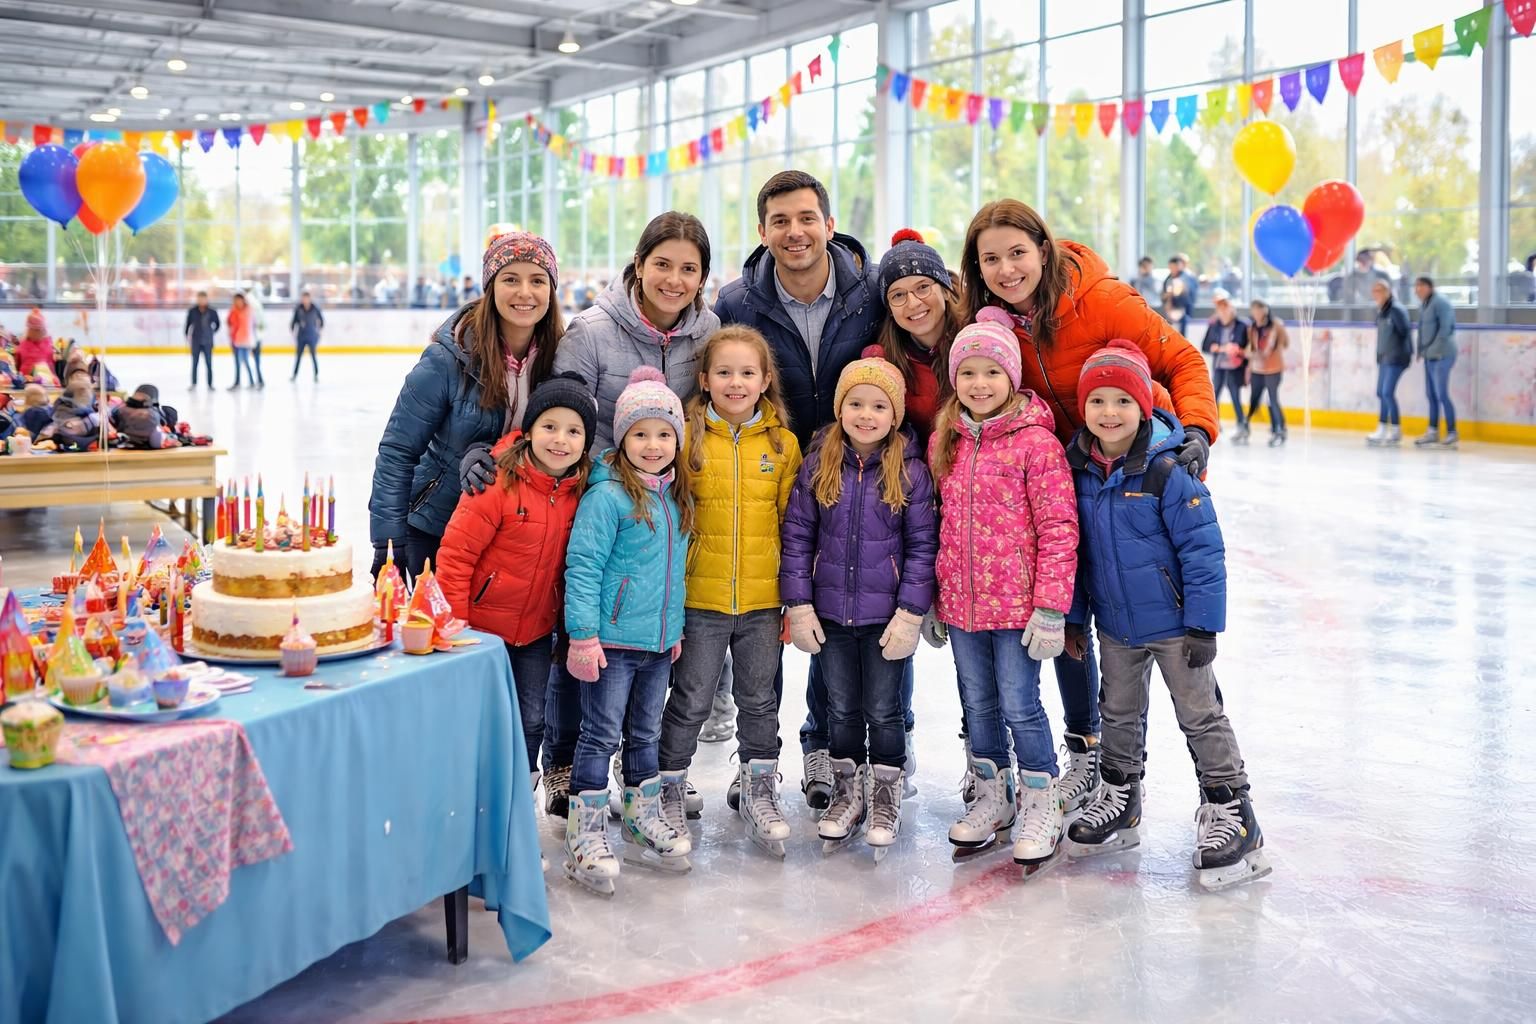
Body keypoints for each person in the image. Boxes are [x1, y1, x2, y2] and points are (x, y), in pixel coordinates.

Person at [959, 198, 1218, 815]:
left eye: (1017, 253)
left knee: (1144, 619)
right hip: (1060, 482)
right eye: (990, 258)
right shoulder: (991, 320)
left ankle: (1184, 780)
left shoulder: (1101, 301)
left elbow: (1181, 358)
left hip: (1129, 480)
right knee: (1066, 620)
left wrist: (1198, 432)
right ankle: (1089, 754)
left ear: (1043, 251)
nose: (1006, 268)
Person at [1063, 342, 1269, 890]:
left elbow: (1204, 552)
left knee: (1200, 715)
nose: (1110, 413)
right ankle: (1120, 797)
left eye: (1122, 402)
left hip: (1178, 627)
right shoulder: (1078, 469)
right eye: (1097, 401)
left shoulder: (1168, 470)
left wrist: (1204, 625)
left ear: (1144, 407)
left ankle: (1233, 810)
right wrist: (1074, 618)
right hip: (1116, 625)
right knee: (1119, 713)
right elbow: (1075, 553)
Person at [714, 169, 884, 808]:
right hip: (770, 478)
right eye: (780, 221)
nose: (795, 232)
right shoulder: (737, 304)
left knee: (843, 615)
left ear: (829, 224)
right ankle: (762, 756)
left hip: (856, 479)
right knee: (774, 617)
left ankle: (839, 746)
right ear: (763, 231)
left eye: (807, 217)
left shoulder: (871, 292)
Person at [928, 310, 1078, 872]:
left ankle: (1041, 800)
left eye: (992, 372)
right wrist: (937, 596)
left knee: (1021, 703)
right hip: (963, 603)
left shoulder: (1037, 444)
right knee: (978, 702)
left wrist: (1050, 608)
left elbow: (1059, 527)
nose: (980, 384)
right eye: (968, 373)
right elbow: (938, 519)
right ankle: (994, 794)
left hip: (1019, 609)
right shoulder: (946, 440)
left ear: (1011, 377)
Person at [781, 354, 937, 860]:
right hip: (829, 614)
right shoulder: (819, 461)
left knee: (884, 710)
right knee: (841, 708)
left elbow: (921, 547)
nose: (865, 415)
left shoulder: (910, 471)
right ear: (839, 408)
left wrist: (911, 613)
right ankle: (847, 792)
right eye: (854, 404)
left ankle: (886, 791)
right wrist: (799, 604)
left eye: (877, 406)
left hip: (886, 618)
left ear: (894, 415)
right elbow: (799, 535)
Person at [658, 326, 802, 858]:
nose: (735, 383)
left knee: (759, 700)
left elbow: (794, 524)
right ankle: (667, 785)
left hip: (764, 602)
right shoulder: (686, 437)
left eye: (747, 372)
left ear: (766, 380)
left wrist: (793, 596)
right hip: (701, 600)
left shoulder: (782, 445)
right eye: (724, 372)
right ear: (703, 379)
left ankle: (760, 787)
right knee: (692, 698)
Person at [561, 367, 694, 895]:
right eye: (640, 433)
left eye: (664, 434)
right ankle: (586, 833)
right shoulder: (607, 496)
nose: (653, 445)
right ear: (621, 438)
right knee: (598, 735)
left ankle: (640, 816)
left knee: (646, 734)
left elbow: (673, 573)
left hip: (658, 643)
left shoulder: (675, 494)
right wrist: (583, 636)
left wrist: (674, 629)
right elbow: (583, 567)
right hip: (611, 643)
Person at [437, 373, 598, 802]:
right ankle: (471, 804)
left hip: (535, 633)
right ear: (527, 431)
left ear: (586, 442)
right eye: (549, 426)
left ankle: (515, 813)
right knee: (478, 719)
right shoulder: (496, 483)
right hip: (480, 633)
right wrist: (455, 632)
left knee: (531, 721)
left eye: (573, 430)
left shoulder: (583, 491)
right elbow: (455, 558)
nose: (559, 440)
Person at [370, 231, 563, 582]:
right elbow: (398, 451)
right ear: (490, 287)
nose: (525, 292)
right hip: (436, 527)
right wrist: (387, 540)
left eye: (537, 280)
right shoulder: (447, 359)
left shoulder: (560, 360)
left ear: (551, 290)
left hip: (512, 534)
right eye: (510, 279)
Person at [870, 226, 963, 788]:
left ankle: (986, 751)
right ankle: (893, 739)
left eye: (922, 286)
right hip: (915, 503)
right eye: (897, 294)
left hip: (980, 505)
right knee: (896, 625)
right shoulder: (887, 358)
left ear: (944, 287)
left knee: (979, 640)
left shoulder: (978, 340)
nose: (912, 303)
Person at [549, 212, 718, 454]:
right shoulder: (590, 332)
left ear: (703, 278)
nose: (674, 280)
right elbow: (561, 425)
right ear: (639, 265)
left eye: (688, 269)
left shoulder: (709, 331)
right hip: (602, 479)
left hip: (677, 483)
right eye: (662, 264)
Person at [1414, 276, 1458, 449]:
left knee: (1441, 394)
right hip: (1429, 355)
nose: (1418, 289)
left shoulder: (1441, 303)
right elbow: (1422, 329)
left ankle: (1452, 432)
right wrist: (1421, 351)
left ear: (1430, 287)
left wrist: (1433, 350)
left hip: (1443, 354)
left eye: (1421, 286)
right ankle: (1432, 431)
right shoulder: (1424, 305)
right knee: (1431, 394)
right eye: (1416, 286)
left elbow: (1445, 329)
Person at [1367, 279, 1412, 448]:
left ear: (1388, 292)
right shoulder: (1382, 311)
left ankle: (1395, 429)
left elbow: (1404, 333)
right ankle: (1382, 427)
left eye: (1380, 290)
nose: (1377, 294)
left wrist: (1400, 354)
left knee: (1387, 392)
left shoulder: (1396, 310)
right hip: (1384, 358)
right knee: (1381, 392)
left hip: (1396, 358)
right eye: (1374, 291)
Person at [1201, 289, 1249, 444]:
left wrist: (1238, 350)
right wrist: (1218, 348)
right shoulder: (1215, 325)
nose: (1223, 311)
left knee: (1235, 396)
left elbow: (1247, 347)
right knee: (1214, 396)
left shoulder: (1242, 325)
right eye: (1220, 308)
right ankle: (1214, 423)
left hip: (1235, 367)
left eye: (1226, 307)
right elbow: (1206, 345)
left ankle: (1242, 426)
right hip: (1220, 366)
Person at [1245, 300, 1289, 447]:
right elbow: (1251, 347)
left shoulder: (1276, 326)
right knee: (1254, 399)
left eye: (1259, 310)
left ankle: (1279, 429)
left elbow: (1285, 343)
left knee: (1272, 399)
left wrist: (1271, 350)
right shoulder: (1252, 328)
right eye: (1254, 310)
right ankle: (1245, 427)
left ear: (1265, 311)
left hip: (1273, 368)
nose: (1257, 313)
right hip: (1257, 369)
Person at [1160, 253, 1198, 336]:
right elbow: (1163, 295)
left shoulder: (1187, 278)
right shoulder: (1168, 279)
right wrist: (1168, 296)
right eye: (1171, 267)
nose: (1172, 270)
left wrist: (1178, 291)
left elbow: (1189, 296)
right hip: (1169, 312)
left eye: (1174, 267)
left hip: (1183, 312)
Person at [290, 290, 324, 381]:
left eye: (306, 298)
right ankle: (294, 374)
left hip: (311, 335)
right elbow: (294, 321)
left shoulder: (315, 308)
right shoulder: (298, 308)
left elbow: (321, 320)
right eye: (303, 298)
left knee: (313, 356)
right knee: (298, 357)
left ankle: (316, 375)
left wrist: (319, 331)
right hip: (301, 336)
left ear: (309, 299)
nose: (305, 300)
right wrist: (293, 330)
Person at [15, 309, 54, 384]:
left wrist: (54, 379)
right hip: (25, 380)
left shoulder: (48, 344)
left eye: (40, 330)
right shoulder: (23, 345)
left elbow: (50, 366)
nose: (40, 332)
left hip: (45, 380)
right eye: (36, 330)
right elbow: (17, 365)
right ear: (30, 330)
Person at [226, 293, 255, 390]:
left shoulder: (248, 310)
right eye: (236, 300)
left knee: (245, 361)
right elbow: (229, 322)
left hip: (245, 340)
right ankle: (237, 382)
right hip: (235, 340)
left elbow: (251, 326)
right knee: (237, 363)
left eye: (239, 300)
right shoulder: (233, 311)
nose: (237, 302)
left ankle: (251, 382)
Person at [246, 288, 268, 389]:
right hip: (252, 338)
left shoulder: (254, 308)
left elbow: (262, 325)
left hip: (253, 338)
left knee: (253, 360)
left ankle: (257, 380)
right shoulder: (258, 307)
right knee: (252, 360)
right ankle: (257, 380)